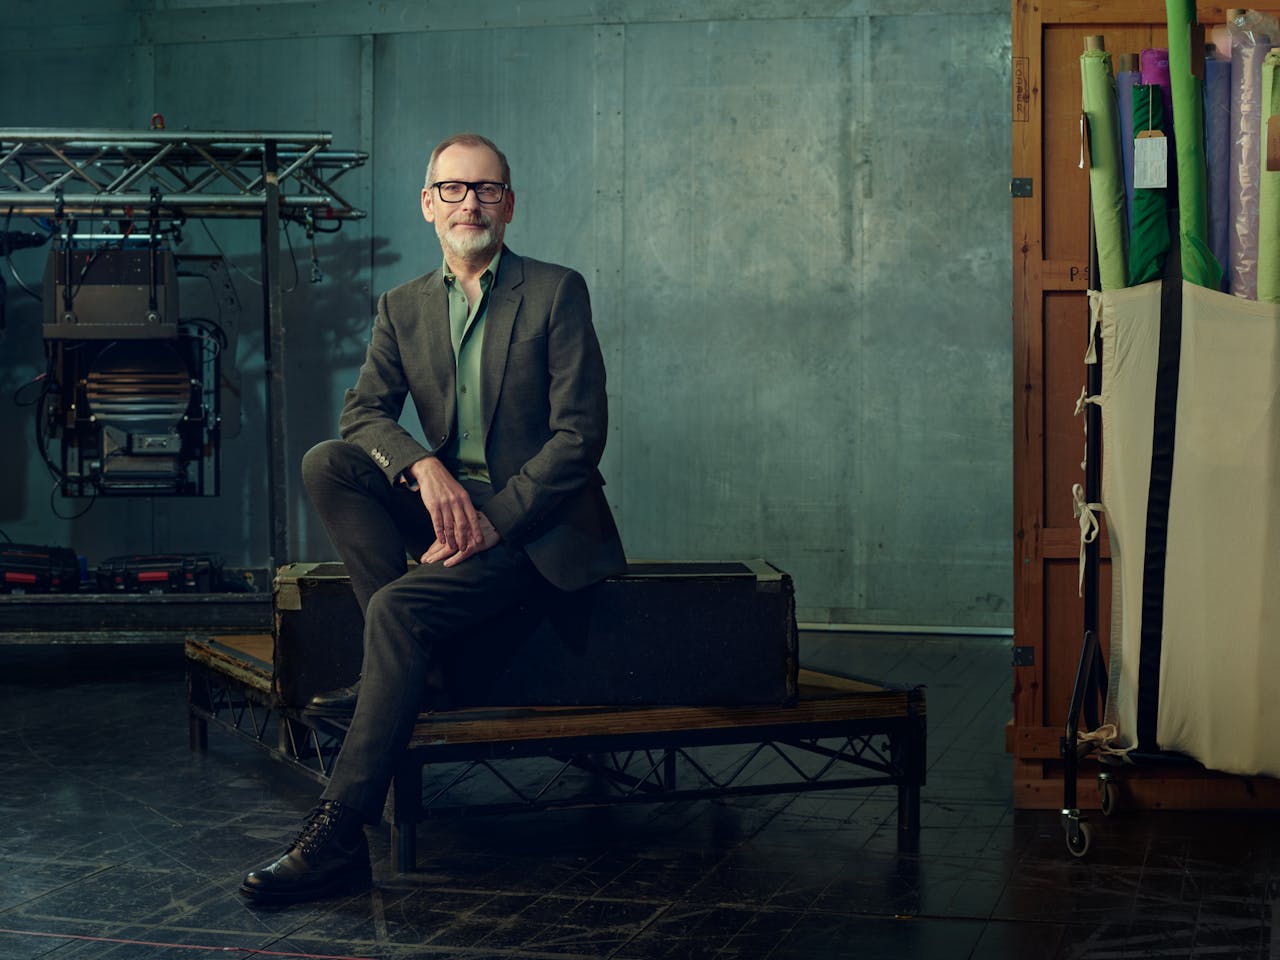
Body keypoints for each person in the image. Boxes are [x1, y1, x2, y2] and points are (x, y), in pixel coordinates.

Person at [239, 133, 626, 905]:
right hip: (446, 512)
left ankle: (338, 835)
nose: (469, 203)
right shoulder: (402, 305)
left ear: (508, 205)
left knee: (396, 610)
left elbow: (580, 437)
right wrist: (424, 467)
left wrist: (494, 519)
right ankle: (424, 664)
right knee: (329, 461)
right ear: (428, 204)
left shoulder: (555, 291)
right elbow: (363, 414)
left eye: (485, 189)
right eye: (452, 189)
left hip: (534, 527)